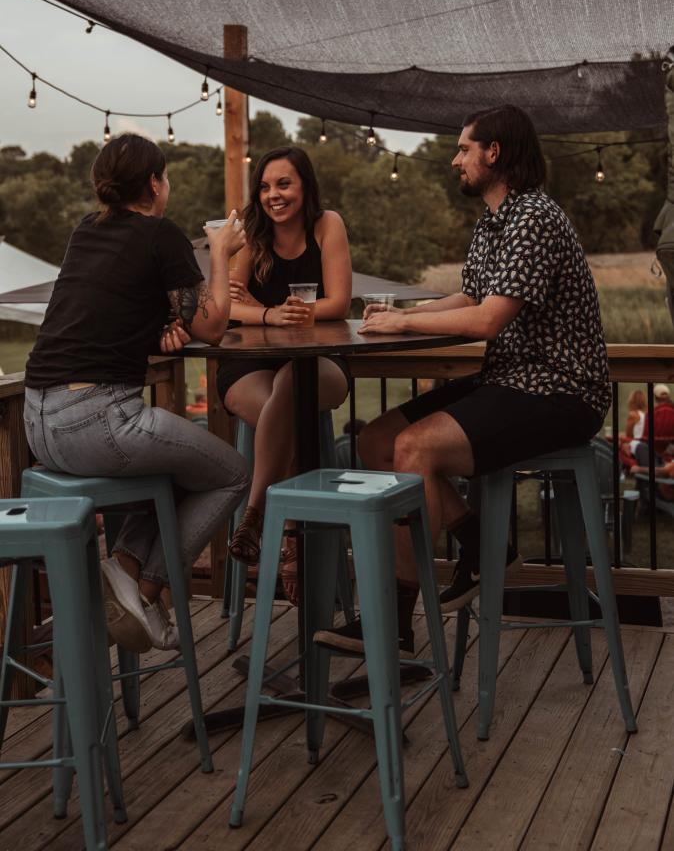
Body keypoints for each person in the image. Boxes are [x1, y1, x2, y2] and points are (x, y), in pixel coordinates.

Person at [314, 104, 610, 657]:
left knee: (413, 448)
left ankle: (395, 620)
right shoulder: (493, 222)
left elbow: (488, 319)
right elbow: (471, 297)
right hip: (510, 378)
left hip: (562, 390)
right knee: (375, 442)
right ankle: (481, 546)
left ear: (493, 152)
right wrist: (397, 310)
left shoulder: (534, 218)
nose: (455, 161)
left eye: (463, 149)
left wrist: (406, 321)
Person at [23, 133, 249, 654]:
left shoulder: (86, 231)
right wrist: (219, 252)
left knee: (172, 475)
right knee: (234, 474)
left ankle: (124, 571)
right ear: (153, 183)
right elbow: (214, 327)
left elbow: (99, 311)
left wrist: (161, 329)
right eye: (165, 177)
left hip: (41, 422)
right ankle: (146, 595)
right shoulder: (160, 234)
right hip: (96, 421)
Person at [216, 145, 351, 603]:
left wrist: (279, 311)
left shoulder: (326, 225)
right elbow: (229, 306)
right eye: (266, 186)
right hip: (249, 365)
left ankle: (255, 514)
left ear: (305, 186)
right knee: (287, 409)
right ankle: (291, 538)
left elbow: (339, 303)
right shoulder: (254, 236)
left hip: (317, 363)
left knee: (293, 384)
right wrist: (270, 315)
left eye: (284, 184)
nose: (274, 195)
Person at [618, 388, 647, 470]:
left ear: (632, 401)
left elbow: (628, 435)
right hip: (644, 444)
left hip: (636, 444)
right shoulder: (646, 414)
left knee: (618, 443)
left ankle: (623, 471)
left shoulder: (633, 415)